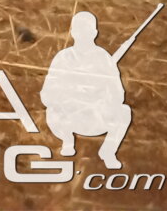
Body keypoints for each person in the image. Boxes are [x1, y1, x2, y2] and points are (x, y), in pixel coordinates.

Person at [42, 11, 134, 168]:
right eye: (80, 30)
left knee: (124, 112)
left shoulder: (104, 59)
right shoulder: (63, 58)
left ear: (95, 33)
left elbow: (118, 95)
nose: (84, 34)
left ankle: (108, 151)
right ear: (73, 32)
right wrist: (70, 95)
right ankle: (67, 141)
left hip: (95, 116)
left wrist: (98, 96)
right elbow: (46, 95)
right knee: (52, 111)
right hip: (69, 116)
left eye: (87, 30)